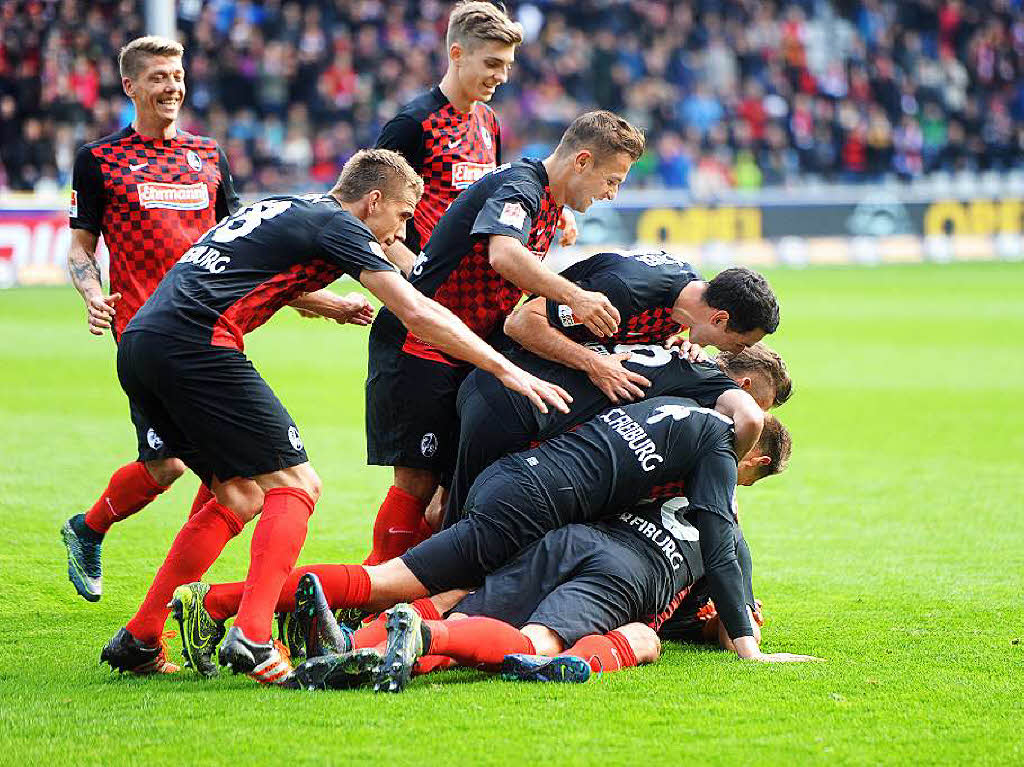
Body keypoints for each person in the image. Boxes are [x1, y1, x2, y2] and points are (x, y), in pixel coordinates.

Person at [98, 148, 572, 681]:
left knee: (239, 494)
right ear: (372, 201)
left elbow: (244, 272)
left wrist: (329, 305)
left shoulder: (286, 206)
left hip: (142, 342)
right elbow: (416, 310)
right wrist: (505, 369)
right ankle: (253, 637)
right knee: (298, 486)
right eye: (400, 215)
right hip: (197, 344)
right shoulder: (341, 226)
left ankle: (141, 636)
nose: (402, 229)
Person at [363, 110, 645, 565]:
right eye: (611, 180)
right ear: (582, 161)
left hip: (462, 345)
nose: (611, 193)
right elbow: (505, 255)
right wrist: (577, 296)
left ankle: (408, 590)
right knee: (416, 481)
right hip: (421, 343)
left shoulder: (544, 197)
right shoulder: (521, 186)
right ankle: (370, 593)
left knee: (450, 483)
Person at [60, 36, 244, 603]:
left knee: (224, 473)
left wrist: (319, 302)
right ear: (131, 86)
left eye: (178, 75)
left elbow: (241, 244)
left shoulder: (208, 155)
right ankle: (110, 549)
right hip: (148, 336)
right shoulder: (99, 161)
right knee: (174, 467)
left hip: (215, 331)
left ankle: (162, 592)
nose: (173, 87)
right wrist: (92, 293)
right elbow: (80, 248)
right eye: (160, 77)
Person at [446, 314, 789, 519]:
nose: (762, 413)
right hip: (526, 410)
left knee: (454, 507)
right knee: (465, 524)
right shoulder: (700, 398)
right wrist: (724, 484)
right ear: (744, 385)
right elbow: (749, 420)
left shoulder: (674, 349)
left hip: (501, 387)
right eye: (764, 403)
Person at [375, 1, 578, 274]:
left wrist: (550, 210)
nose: (502, 77)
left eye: (507, 65)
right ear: (457, 54)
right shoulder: (413, 124)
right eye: (492, 63)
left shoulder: (489, 121)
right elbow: (371, 213)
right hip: (429, 292)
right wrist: (417, 275)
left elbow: (492, 197)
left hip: (471, 287)